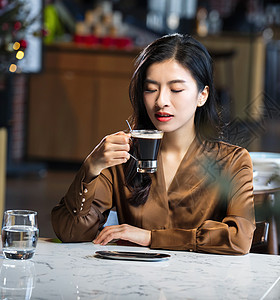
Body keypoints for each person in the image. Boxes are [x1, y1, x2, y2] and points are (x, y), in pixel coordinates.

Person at [51, 33, 256, 255]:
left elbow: (238, 238)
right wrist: (90, 168)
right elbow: (70, 231)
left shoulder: (233, 161)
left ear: (202, 95)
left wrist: (151, 238)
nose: (161, 101)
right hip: (133, 283)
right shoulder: (124, 156)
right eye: (151, 89)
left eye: (176, 89)